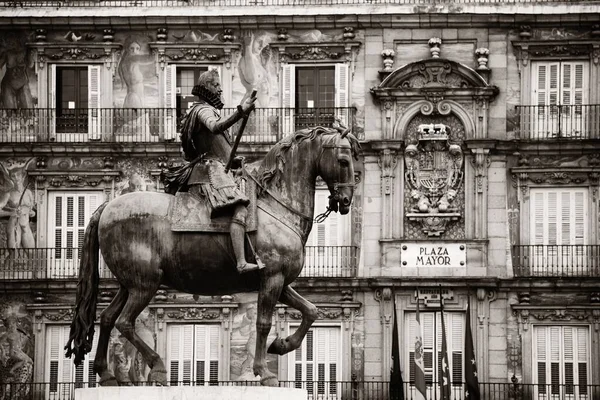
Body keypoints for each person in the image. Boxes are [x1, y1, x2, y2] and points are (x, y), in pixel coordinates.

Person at [178, 69, 259, 274]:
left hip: (217, 169)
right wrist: (241, 111)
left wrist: (234, 161)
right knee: (240, 209)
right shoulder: (202, 110)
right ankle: (240, 262)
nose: (220, 89)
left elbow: (219, 148)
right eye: (216, 85)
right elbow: (215, 127)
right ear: (206, 89)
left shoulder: (203, 110)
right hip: (210, 173)